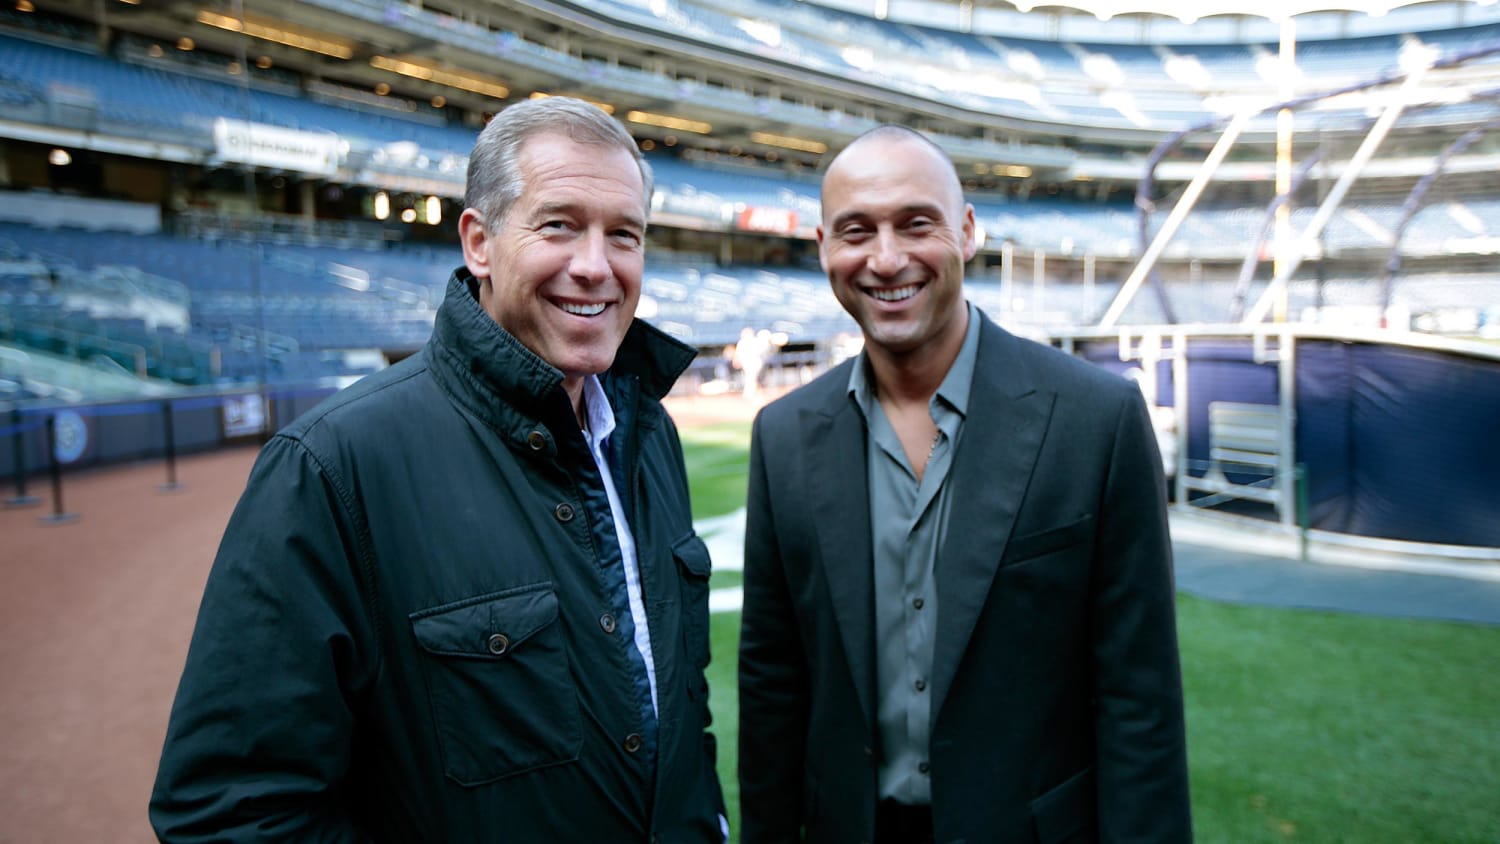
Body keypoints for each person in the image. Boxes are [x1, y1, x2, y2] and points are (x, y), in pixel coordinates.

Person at [151, 96, 727, 842]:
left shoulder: (650, 434)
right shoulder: (330, 468)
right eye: (559, 225)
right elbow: (230, 810)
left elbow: (680, 702)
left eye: (625, 235)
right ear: (479, 243)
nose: (596, 266)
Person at [738, 126, 1191, 844]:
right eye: (857, 232)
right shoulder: (784, 435)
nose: (887, 259)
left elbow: (1140, 697)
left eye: (916, 224)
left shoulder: (1096, 419)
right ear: (824, 247)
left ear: (967, 230)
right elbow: (772, 683)